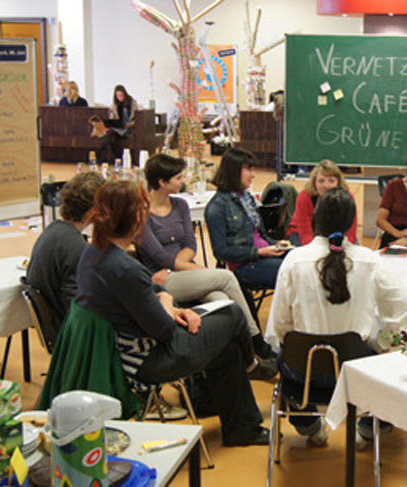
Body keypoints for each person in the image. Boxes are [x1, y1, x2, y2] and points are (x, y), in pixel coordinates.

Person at [76, 180, 270, 446]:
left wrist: (174, 307)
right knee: (233, 314)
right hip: (146, 360)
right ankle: (251, 370)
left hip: (120, 351)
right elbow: (165, 330)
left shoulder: (93, 254)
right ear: (136, 219)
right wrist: (168, 302)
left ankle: (229, 413)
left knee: (227, 341)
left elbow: (143, 299)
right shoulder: (124, 268)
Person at [267, 188, 407, 446]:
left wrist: (297, 343)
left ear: (316, 218)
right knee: (396, 359)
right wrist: (382, 344)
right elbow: (403, 310)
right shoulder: (370, 261)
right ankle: (368, 429)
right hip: (358, 371)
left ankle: (309, 427)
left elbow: (280, 325)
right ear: (351, 223)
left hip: (302, 373)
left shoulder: (294, 260)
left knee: (284, 355)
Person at [135, 153, 277, 373]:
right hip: (162, 280)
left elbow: (191, 245)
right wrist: (194, 268)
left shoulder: (180, 205)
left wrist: (182, 266)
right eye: (178, 178)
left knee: (224, 302)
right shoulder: (141, 214)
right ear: (162, 182)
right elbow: (159, 257)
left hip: (184, 274)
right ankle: (258, 344)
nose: (183, 182)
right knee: (226, 277)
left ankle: (244, 362)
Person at [26, 172, 105, 329]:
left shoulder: (53, 230)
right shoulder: (76, 247)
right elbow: (78, 309)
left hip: (54, 324)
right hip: (68, 332)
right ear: (93, 211)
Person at [206, 148, 286, 288]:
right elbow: (220, 252)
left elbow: (260, 235)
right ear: (234, 171)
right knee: (294, 273)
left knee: (303, 261)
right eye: (249, 170)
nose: (253, 175)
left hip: (264, 255)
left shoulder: (247, 198)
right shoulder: (217, 207)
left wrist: (277, 244)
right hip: (245, 266)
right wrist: (258, 252)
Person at [286, 159, 358, 246]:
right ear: (314, 182)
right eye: (321, 181)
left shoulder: (347, 198)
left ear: (338, 182)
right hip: (302, 233)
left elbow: (350, 234)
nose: (326, 186)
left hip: (335, 234)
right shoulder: (304, 197)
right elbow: (305, 235)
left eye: (331, 181)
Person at [95, 84, 137, 162]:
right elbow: (114, 118)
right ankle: (119, 157)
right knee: (111, 138)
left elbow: (135, 118)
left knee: (110, 135)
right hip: (119, 128)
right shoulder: (115, 105)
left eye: (121, 95)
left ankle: (98, 154)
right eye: (118, 96)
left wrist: (129, 124)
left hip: (129, 128)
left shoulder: (131, 102)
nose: (120, 97)